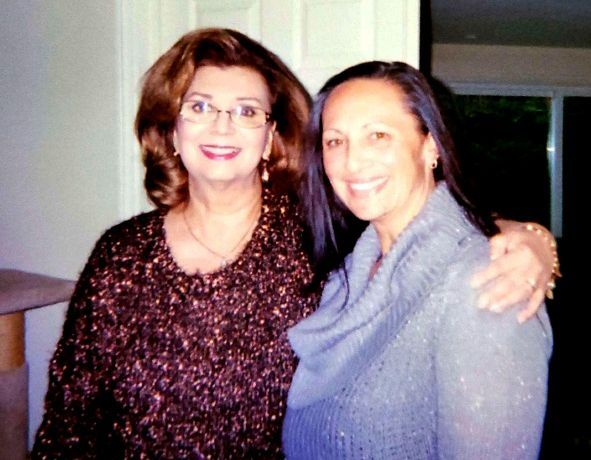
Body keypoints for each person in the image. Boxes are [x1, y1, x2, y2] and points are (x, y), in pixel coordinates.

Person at [32, 28, 555, 458]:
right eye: (200, 106)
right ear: (171, 128)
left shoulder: (316, 236)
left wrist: (527, 238)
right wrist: (533, 237)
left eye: (246, 111)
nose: (222, 125)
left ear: (271, 136)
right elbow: (67, 423)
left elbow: (423, 228)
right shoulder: (121, 255)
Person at [283, 61, 553, 459]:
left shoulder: (486, 281)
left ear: (431, 146)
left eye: (378, 135)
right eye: (335, 141)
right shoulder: (347, 277)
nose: (352, 162)